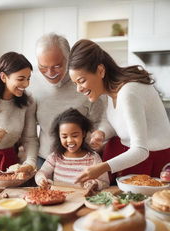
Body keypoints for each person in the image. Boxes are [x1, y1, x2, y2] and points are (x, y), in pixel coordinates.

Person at [68, 39, 170, 184]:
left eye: (82, 81)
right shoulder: (112, 88)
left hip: (152, 159)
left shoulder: (128, 93)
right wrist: (102, 133)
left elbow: (141, 150)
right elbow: (118, 119)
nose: (79, 89)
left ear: (101, 71)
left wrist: (102, 167)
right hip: (132, 155)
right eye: (75, 84)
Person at [28, 33, 105, 169]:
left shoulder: (85, 82)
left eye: (57, 66)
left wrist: (97, 141)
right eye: (43, 67)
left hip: (80, 160)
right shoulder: (31, 81)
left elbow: (98, 126)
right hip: (44, 159)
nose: (50, 73)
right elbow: (28, 128)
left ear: (69, 59)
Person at [35, 108, 109, 193]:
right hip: (60, 202)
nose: (69, 140)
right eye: (64, 137)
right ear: (59, 136)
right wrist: (41, 179)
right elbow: (41, 172)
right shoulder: (55, 156)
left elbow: (105, 183)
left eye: (74, 136)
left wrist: (95, 183)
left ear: (83, 133)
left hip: (83, 200)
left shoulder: (93, 157)